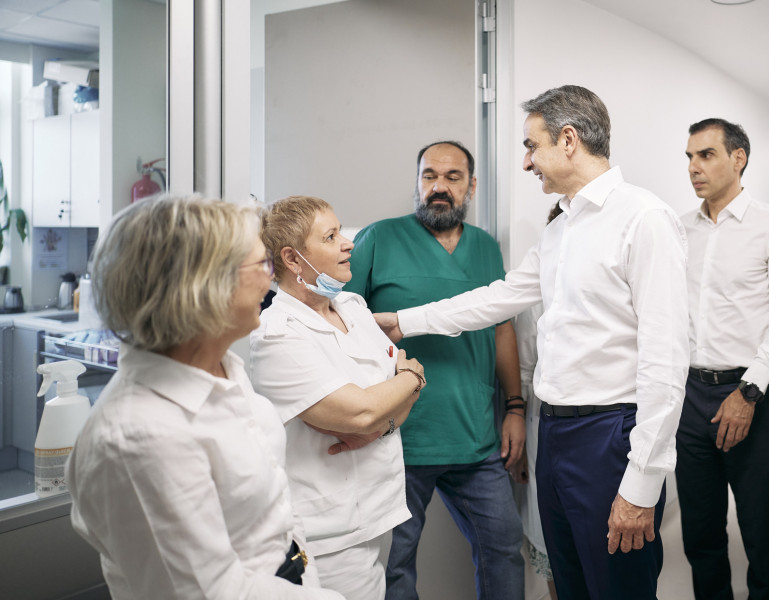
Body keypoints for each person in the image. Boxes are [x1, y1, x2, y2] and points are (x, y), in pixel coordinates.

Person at [375, 85, 690, 600]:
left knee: (618, 587)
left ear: (568, 140)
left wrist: (641, 483)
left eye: (531, 146)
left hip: (611, 436)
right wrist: (403, 322)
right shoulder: (561, 230)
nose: (526, 162)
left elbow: (667, 362)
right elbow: (498, 298)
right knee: (569, 583)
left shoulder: (643, 219)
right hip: (557, 435)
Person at [65, 195, 342, 599]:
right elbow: (210, 592)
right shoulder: (137, 439)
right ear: (203, 287)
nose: (270, 279)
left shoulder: (222, 367)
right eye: (262, 265)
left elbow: (275, 507)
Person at [344, 141, 525, 600]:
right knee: (395, 564)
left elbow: (502, 329)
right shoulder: (378, 238)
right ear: (417, 182)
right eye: (429, 176)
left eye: (452, 177)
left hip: (476, 440)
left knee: (504, 550)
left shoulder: (486, 247)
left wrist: (515, 407)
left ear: (471, 186)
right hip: (399, 439)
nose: (439, 187)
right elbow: (341, 321)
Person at [249, 195, 424, 600]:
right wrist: (412, 377)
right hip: (330, 534)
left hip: (380, 510)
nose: (348, 244)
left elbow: (385, 408)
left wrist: (392, 404)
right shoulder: (277, 334)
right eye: (330, 237)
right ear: (292, 259)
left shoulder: (353, 307)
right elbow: (361, 413)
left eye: (341, 232)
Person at [678, 118, 769, 600]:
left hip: (753, 394)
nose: (694, 167)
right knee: (701, 531)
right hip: (691, 396)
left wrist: (748, 391)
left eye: (705, 155)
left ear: (738, 158)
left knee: (763, 529)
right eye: (689, 157)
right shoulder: (680, 229)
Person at [509, 202, 564, 600]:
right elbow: (526, 372)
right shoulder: (535, 296)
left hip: (605, 430)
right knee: (551, 540)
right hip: (543, 427)